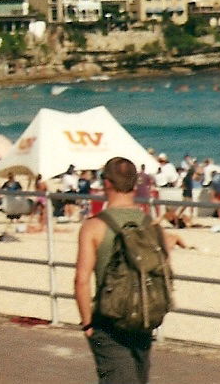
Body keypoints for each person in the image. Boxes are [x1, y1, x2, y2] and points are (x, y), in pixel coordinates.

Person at [75, 156, 181, 384]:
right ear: (135, 184)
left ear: (107, 183)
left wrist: (87, 324)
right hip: (143, 317)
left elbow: (81, 280)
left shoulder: (93, 226)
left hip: (107, 320)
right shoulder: (150, 224)